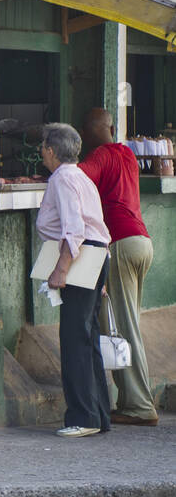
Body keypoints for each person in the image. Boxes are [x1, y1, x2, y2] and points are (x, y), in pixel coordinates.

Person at [79, 108, 159, 426]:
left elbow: (74, 179)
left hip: (121, 244)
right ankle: (129, 402)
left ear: (87, 132)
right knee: (128, 325)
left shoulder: (99, 155)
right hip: (142, 241)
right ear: (112, 127)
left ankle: (140, 406)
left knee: (125, 328)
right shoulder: (126, 153)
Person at [35, 123, 112, 437]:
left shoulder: (63, 178)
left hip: (81, 258)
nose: (40, 151)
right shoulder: (81, 176)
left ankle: (83, 417)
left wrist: (61, 269)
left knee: (74, 339)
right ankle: (99, 414)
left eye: (42, 146)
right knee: (88, 337)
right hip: (96, 256)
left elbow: (74, 229)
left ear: (52, 151)